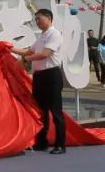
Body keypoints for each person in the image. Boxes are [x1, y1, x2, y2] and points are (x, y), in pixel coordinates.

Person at [12, 8, 66, 154]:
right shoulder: (41, 36)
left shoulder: (54, 34)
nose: (37, 22)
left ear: (49, 18)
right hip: (39, 76)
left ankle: (60, 145)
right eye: (36, 19)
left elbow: (44, 54)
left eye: (39, 19)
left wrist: (25, 60)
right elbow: (28, 51)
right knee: (40, 111)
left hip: (52, 75)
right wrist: (9, 48)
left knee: (55, 111)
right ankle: (42, 142)